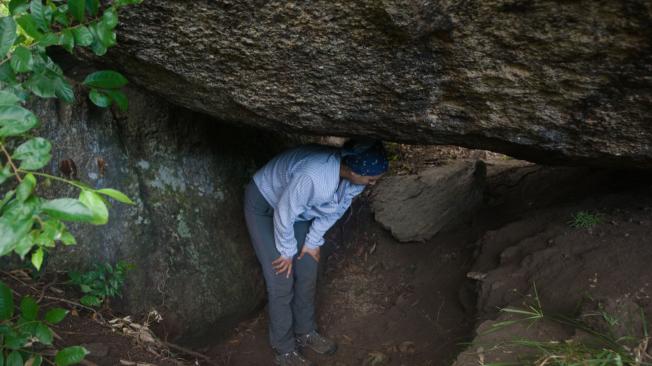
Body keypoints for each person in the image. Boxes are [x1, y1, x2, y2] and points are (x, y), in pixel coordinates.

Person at [243, 139, 389, 365]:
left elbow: (335, 211)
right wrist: (286, 251)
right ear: (353, 169)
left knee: (308, 267)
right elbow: (284, 211)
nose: (373, 183)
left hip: (298, 209)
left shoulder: (355, 181)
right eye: (371, 178)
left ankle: (306, 331)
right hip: (265, 203)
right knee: (281, 278)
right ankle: (284, 349)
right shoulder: (314, 177)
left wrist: (312, 242)